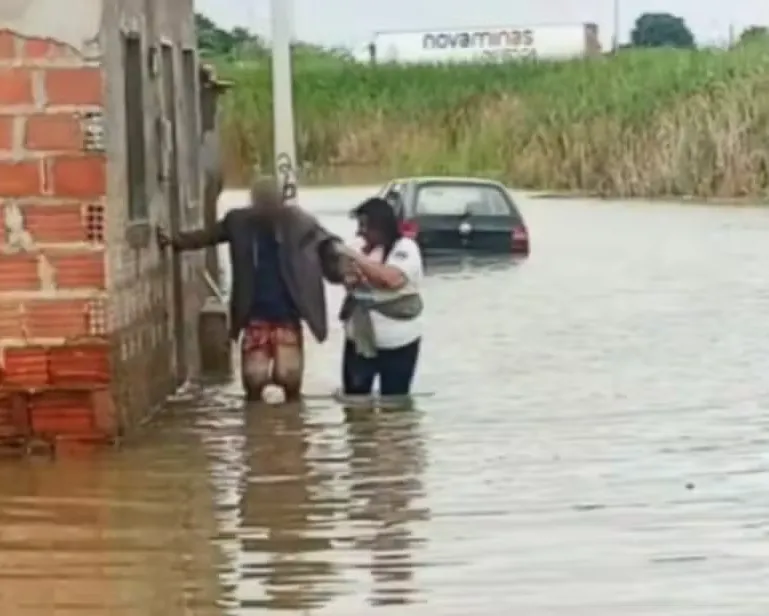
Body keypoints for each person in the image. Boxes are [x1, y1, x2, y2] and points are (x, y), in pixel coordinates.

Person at [158, 176, 346, 402]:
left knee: (288, 377)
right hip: (254, 314)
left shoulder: (299, 222)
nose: (267, 206)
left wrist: (340, 262)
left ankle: (288, 423)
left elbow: (326, 242)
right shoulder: (239, 222)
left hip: (287, 314)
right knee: (254, 378)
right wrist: (175, 241)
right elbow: (208, 236)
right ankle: (262, 425)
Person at [339, 197, 424, 397]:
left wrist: (358, 260)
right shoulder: (356, 245)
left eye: (364, 226)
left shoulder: (406, 248)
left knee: (394, 405)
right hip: (358, 342)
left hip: (399, 344)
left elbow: (391, 279)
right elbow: (346, 278)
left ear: (381, 227)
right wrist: (349, 271)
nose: (360, 232)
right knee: (355, 403)